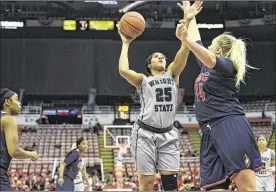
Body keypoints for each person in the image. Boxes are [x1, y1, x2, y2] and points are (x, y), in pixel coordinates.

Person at [117, 2, 202, 191]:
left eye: (163, 56)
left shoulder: (173, 73)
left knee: (171, 184)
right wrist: (125, 43)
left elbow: (184, 49)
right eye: (156, 57)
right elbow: (123, 70)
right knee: (146, 184)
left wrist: (187, 20)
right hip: (145, 133)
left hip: (168, 134)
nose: (161, 57)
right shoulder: (143, 80)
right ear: (149, 65)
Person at [177, 1, 263, 191]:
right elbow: (196, 40)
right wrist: (189, 18)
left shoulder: (228, 66)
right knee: (214, 187)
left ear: (219, 50)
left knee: (246, 186)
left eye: (211, 45)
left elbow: (207, 55)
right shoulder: (206, 67)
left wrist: (186, 41)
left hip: (229, 124)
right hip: (208, 131)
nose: (207, 47)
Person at [0, 88, 38, 191]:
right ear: (7, 102)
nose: (20, 104)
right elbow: (14, 151)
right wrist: (31, 154)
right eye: (16, 99)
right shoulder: (8, 119)